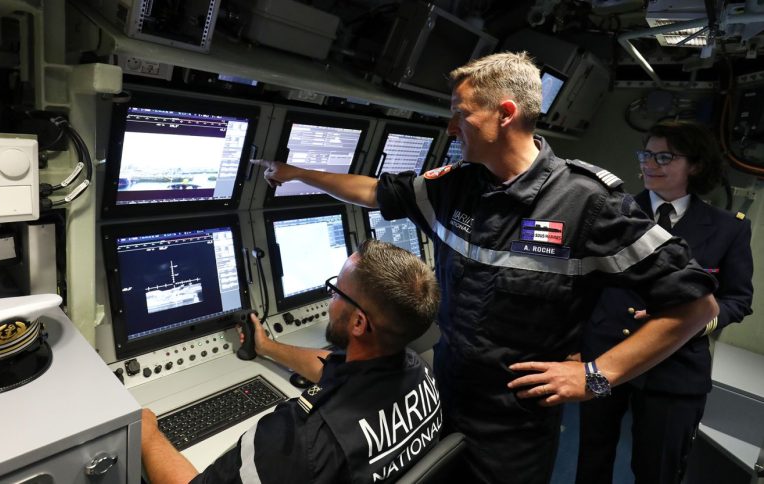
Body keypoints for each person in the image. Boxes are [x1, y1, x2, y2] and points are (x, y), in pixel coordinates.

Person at [253, 51, 719, 483]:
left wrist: (597, 375)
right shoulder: (455, 187)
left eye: (462, 113)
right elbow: (372, 191)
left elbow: (695, 306)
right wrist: (297, 175)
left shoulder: (589, 204)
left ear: (506, 113)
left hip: (512, 428)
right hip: (442, 397)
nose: (452, 129)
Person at [141, 240, 442, 484]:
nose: (329, 302)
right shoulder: (420, 372)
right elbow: (330, 366)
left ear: (359, 323)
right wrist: (267, 346)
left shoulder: (300, 441)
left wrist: (148, 436)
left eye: (336, 291)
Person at [575, 120, 754, 484]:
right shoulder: (611, 212)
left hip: (676, 367)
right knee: (592, 458)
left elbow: (737, 298)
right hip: (606, 357)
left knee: (658, 469)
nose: (649, 164)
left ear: (696, 165)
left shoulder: (727, 227)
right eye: (646, 154)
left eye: (664, 156)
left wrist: (697, 322)